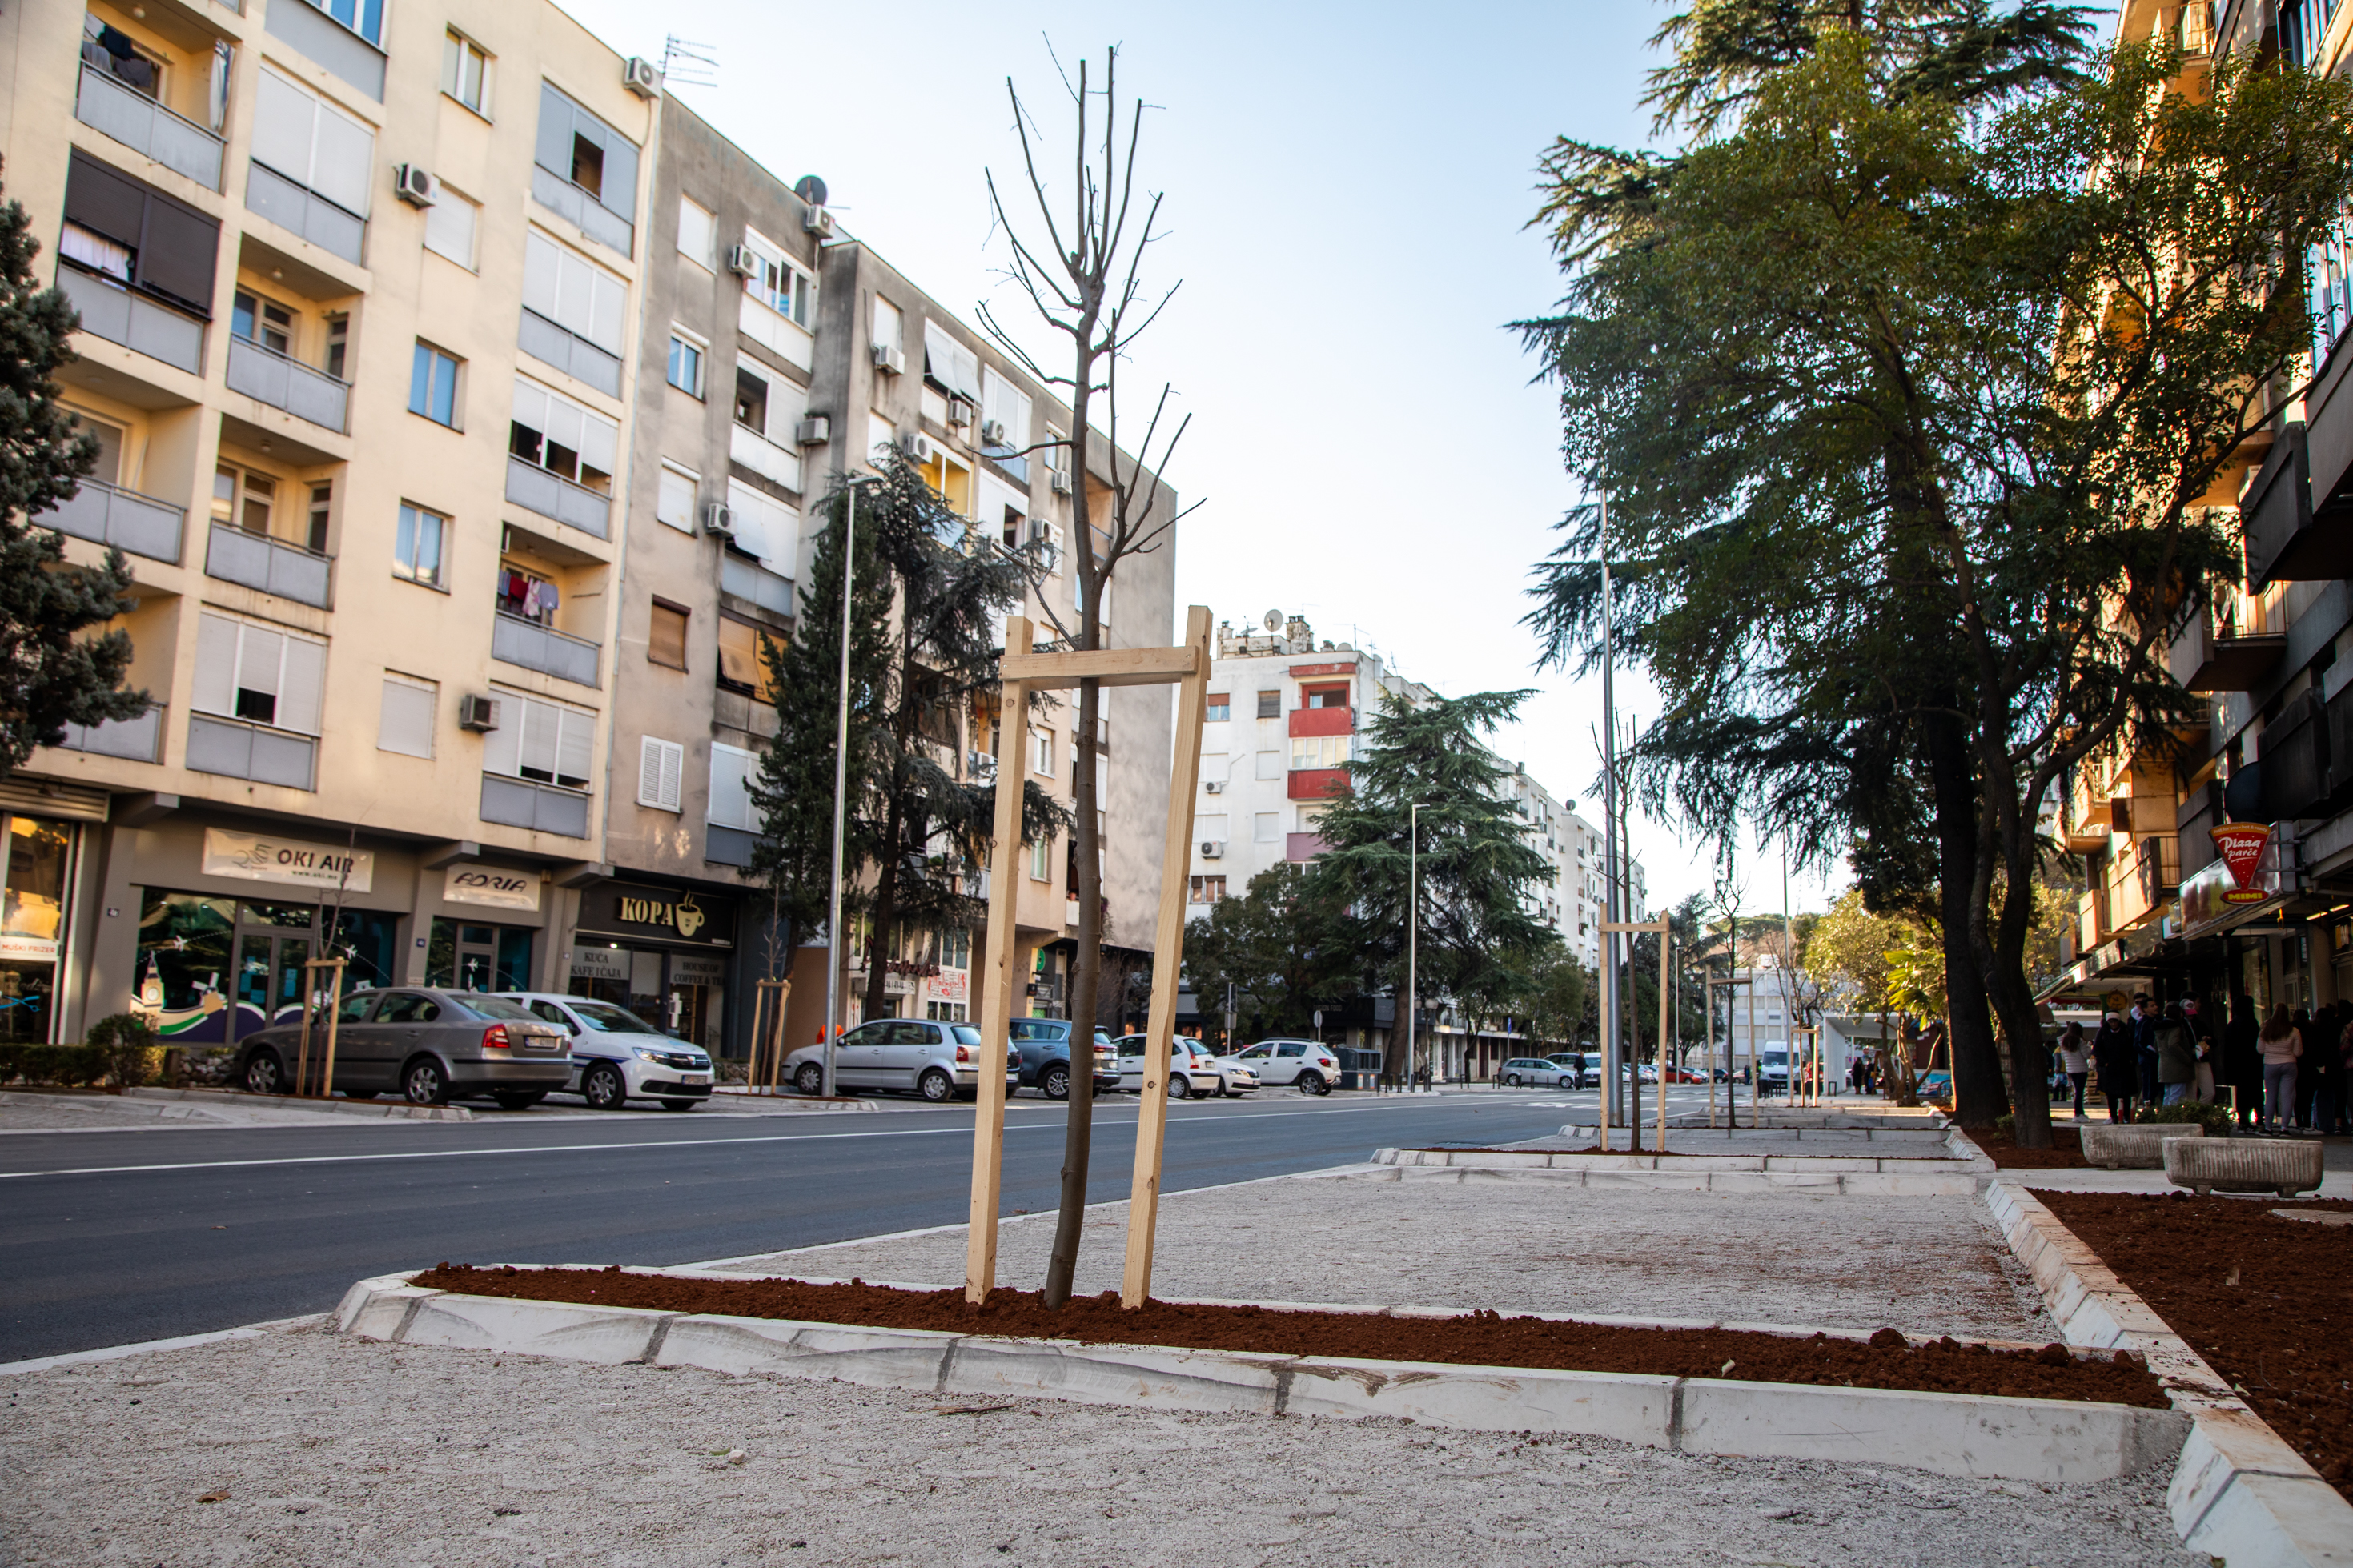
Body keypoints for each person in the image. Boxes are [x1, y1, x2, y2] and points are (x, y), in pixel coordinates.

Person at [2259, 1004, 2303, 1132]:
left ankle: (2268, 1127)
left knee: (2270, 1097)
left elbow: (2260, 1049)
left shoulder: (2266, 1030)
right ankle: (2284, 1127)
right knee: (2287, 1097)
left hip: (2270, 1064)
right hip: (2289, 1064)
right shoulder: (2294, 1031)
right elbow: (2298, 1052)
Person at [2094, 1013, 2138, 1124]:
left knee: (2126, 1093)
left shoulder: (2127, 1031)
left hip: (2125, 1068)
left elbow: (2134, 1047)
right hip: (2110, 1069)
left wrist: (2131, 1061)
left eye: (2115, 1021)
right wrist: (2104, 1062)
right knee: (2111, 1095)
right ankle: (2113, 1116)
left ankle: (2126, 1116)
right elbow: (2097, 1049)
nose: (2113, 1024)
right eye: (2111, 1022)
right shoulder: (2103, 1033)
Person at [2227, 994, 2263, 1127]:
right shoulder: (2251, 1022)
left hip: (2238, 1066)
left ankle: (2243, 1120)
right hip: (2252, 1065)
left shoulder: (2232, 1024)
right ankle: (2259, 1118)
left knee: (2242, 1094)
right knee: (2256, 1093)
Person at [2155, 1002, 2195, 1107]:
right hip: (2177, 1066)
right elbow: (2173, 1045)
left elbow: (2155, 1047)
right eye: (2181, 1013)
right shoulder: (2176, 1027)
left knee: (2168, 1094)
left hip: (2164, 1064)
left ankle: (2165, 1115)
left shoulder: (2159, 1028)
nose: (2182, 1015)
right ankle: (2172, 1115)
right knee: (2177, 1095)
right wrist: (2187, 1058)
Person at [2131, 996, 2161, 1109]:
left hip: (2159, 1060)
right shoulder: (2143, 1022)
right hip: (2148, 1061)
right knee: (2149, 1086)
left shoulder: (2159, 1020)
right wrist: (2152, 1054)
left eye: (2155, 1005)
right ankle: (2148, 1109)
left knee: (2159, 1087)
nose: (2156, 1007)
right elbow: (2138, 1043)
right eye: (2152, 1006)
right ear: (2145, 1009)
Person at [2186, 998, 2217, 1104]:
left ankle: (2201, 1111)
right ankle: (2194, 1112)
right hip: (2190, 1061)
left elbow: (2214, 1041)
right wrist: (2190, 1051)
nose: (2191, 1016)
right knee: (2191, 1093)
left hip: (2202, 1059)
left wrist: (2207, 1040)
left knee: (2209, 1092)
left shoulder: (2199, 1023)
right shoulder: (2181, 1025)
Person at [2058, 1021, 2090, 1119]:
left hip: (2071, 1069)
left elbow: (2063, 1057)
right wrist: (2088, 1046)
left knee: (2077, 1091)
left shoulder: (2063, 1042)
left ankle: (2078, 1113)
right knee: (2080, 1092)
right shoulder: (2080, 1041)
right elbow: (2087, 1055)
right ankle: (2079, 1113)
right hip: (2081, 1068)